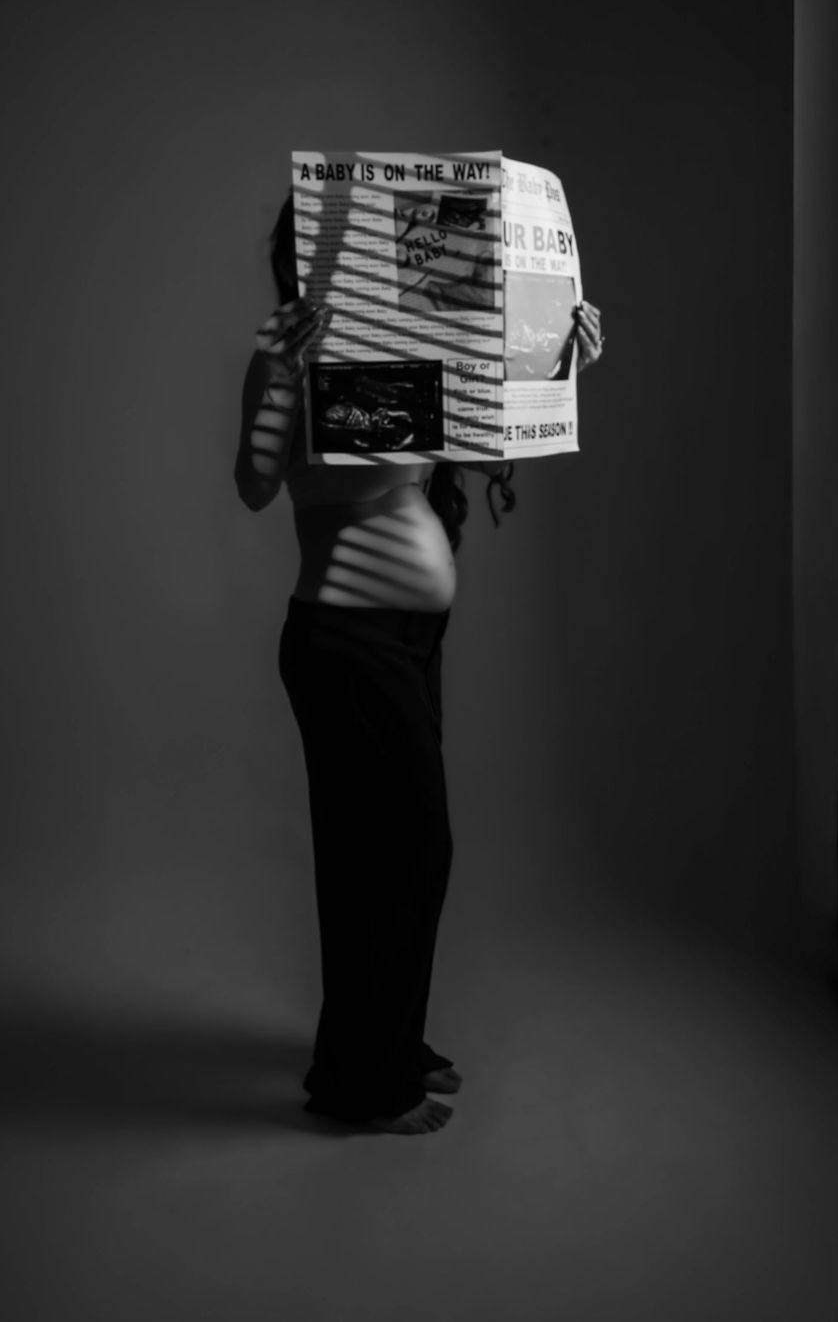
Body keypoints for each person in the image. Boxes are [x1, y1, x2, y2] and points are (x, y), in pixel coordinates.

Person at [234, 193, 604, 1135]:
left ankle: (382, 1043)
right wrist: (279, 373)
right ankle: (365, 1083)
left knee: (384, 856)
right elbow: (254, 483)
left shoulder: (403, 361)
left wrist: (563, 354)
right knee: (399, 851)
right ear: (303, 264)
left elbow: (492, 430)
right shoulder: (293, 358)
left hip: (404, 641)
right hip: (345, 640)